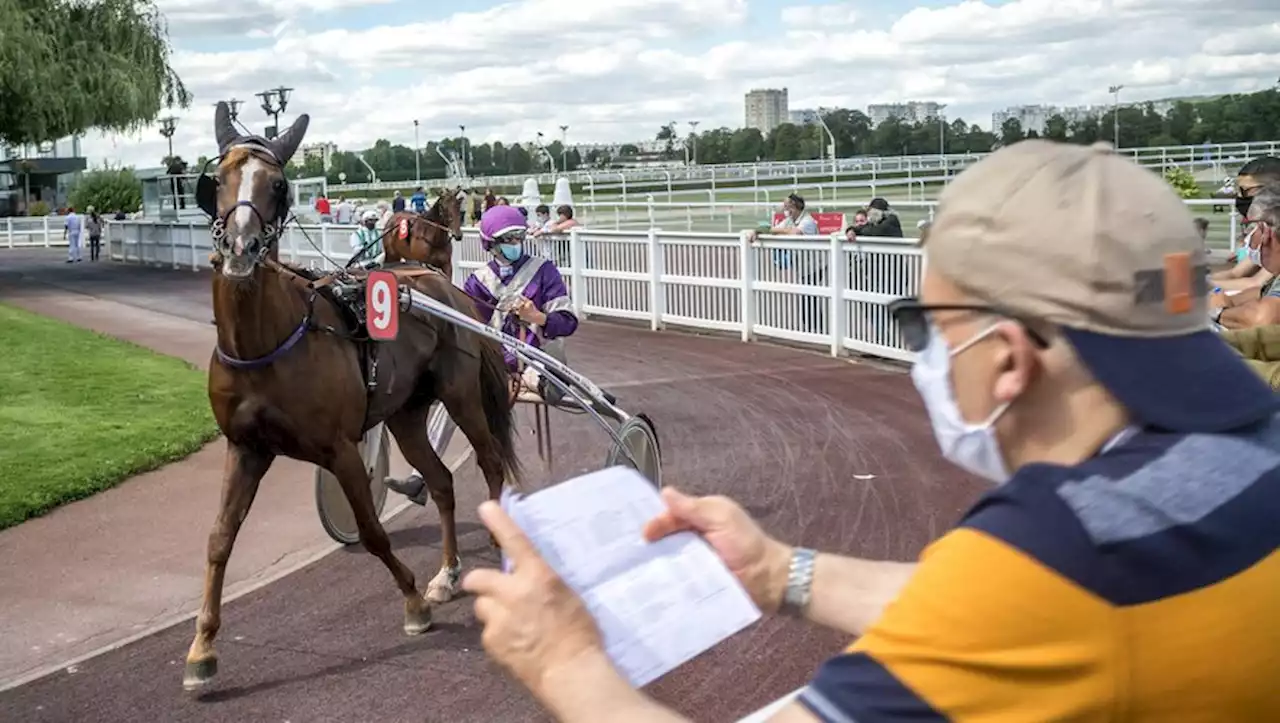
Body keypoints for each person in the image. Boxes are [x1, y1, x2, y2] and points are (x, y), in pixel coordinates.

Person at [460, 139, 1280, 722]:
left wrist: (563, 663)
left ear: (1008, 357)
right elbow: (984, 610)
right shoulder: (1252, 442)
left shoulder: (1064, 545)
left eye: (932, 328)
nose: (929, 358)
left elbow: (1018, 598)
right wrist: (780, 571)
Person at [386, 205, 579, 507]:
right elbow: (463, 328)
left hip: (535, 360)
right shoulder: (478, 282)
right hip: (493, 365)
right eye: (508, 238)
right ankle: (419, 478)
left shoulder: (544, 272)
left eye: (518, 236)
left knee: (541, 382)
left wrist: (537, 316)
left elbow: (568, 321)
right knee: (452, 391)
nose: (516, 243)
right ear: (491, 244)